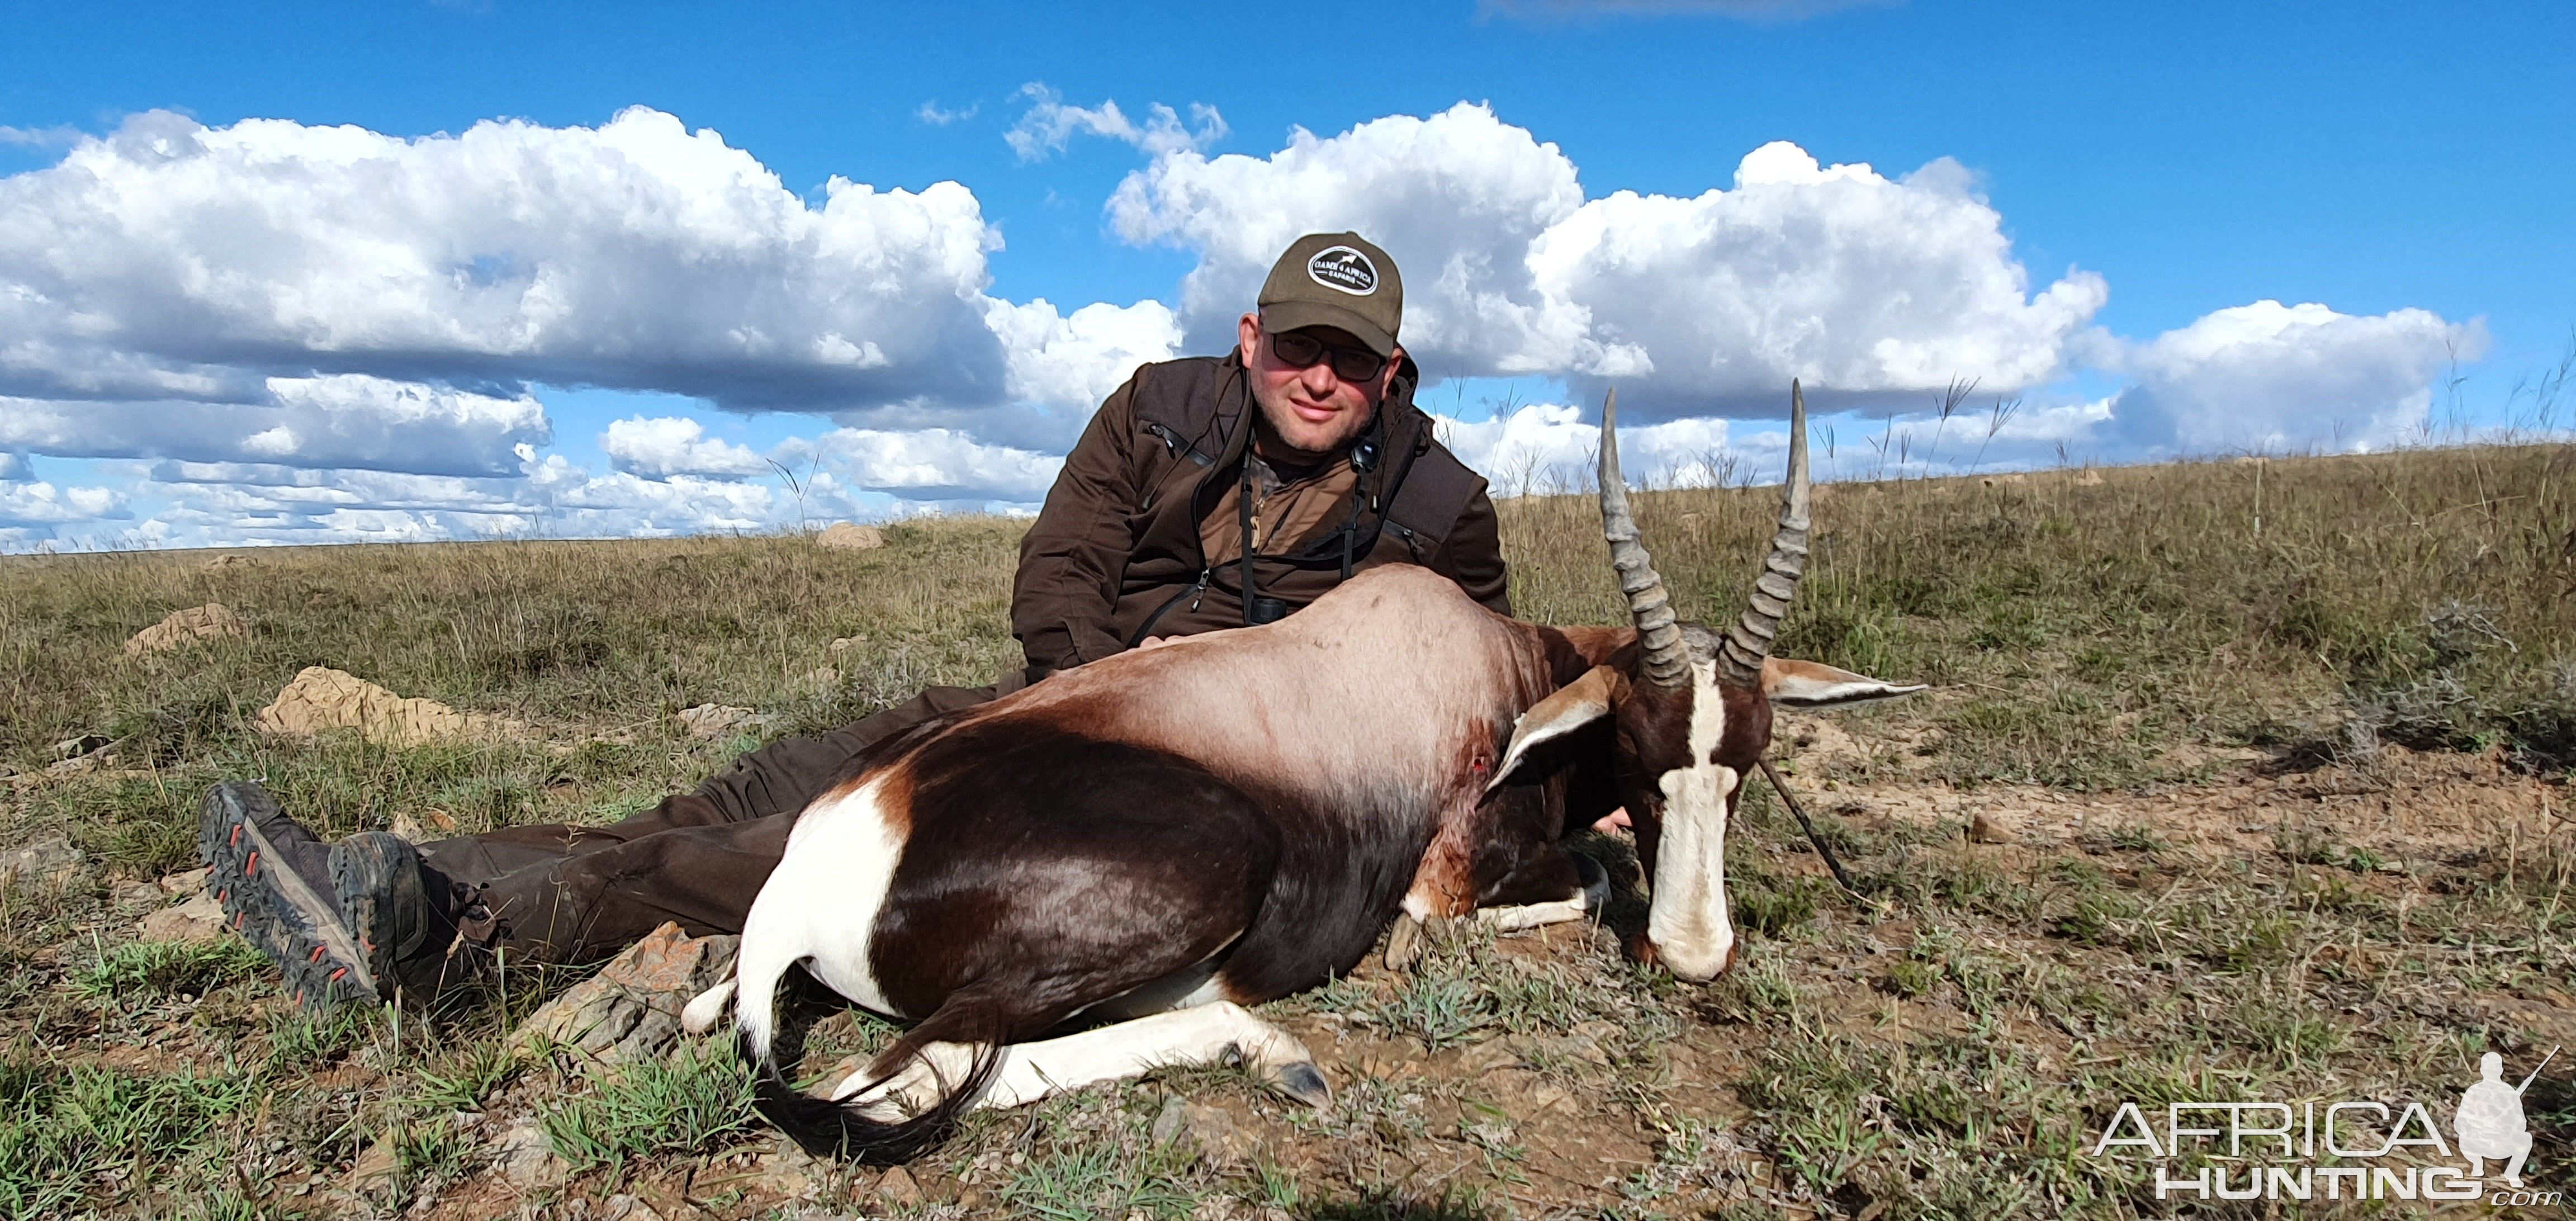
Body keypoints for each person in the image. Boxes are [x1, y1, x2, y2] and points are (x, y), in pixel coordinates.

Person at [202, 232, 1513, 1010]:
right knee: (759, 785)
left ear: (1394, 371)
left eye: (1352, 356)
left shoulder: (1444, 503)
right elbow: (1058, 572)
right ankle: (412, 868)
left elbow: (1481, 675)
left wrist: (1580, 777)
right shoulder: (1156, 405)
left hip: (1201, 786)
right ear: (1250, 340)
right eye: (1298, 346)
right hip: (1065, 702)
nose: (1321, 376)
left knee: (797, 846)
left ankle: (455, 947)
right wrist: (1104, 692)